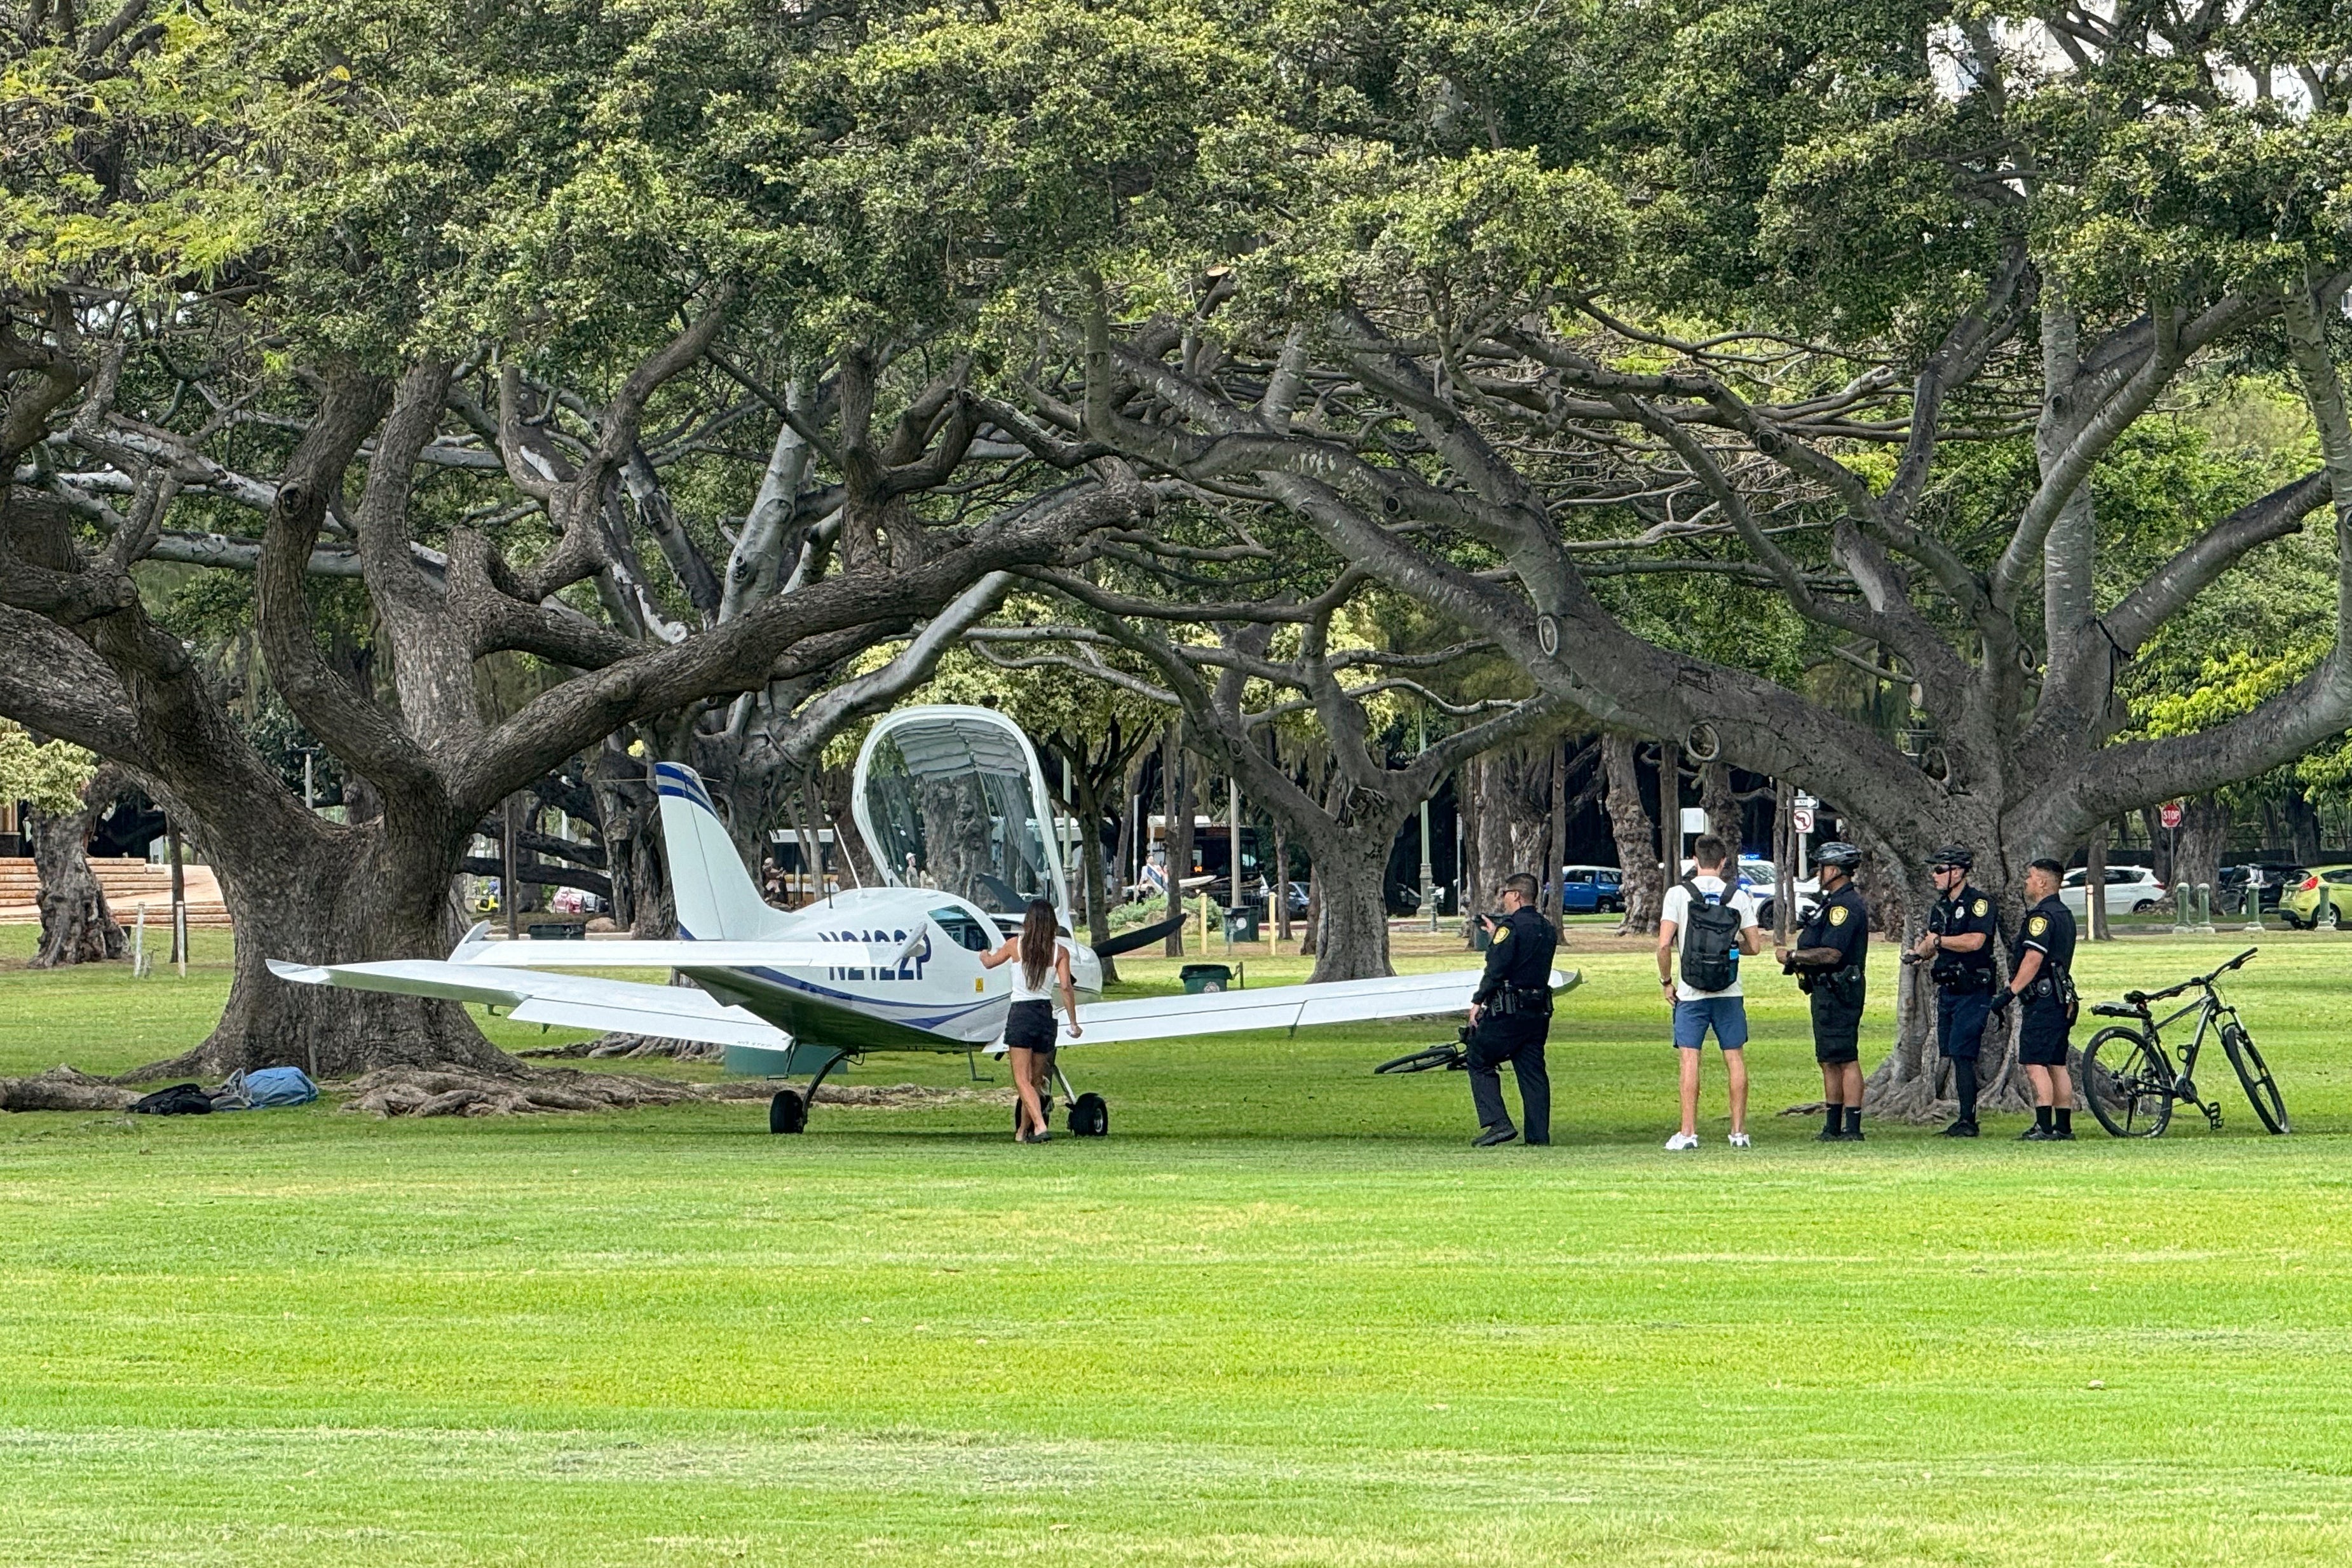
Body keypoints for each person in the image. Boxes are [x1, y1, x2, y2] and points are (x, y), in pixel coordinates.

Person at [1656, 834, 1764, 1150]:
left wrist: (1666, 981)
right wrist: (1730, 949)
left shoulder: (1678, 894)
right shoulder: (1738, 896)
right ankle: (1739, 1132)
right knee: (1735, 1058)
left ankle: (1688, 1133)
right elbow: (1755, 947)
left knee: (1690, 1059)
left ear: (1694, 860)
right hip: (1729, 989)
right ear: (1723, 862)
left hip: (1690, 991)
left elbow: (1664, 945)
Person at [1776, 841, 1870, 1141]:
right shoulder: (1831, 904)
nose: (1818, 873)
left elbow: (1832, 954)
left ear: (1833, 870)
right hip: (1825, 990)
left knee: (1845, 1057)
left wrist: (1793, 957)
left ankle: (1852, 1127)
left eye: (1821, 867)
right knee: (1828, 1057)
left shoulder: (1844, 907)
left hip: (1840, 988)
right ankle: (1832, 1125)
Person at [1909, 845, 1997, 1137]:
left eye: (1939, 870)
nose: (1933, 876)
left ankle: (1968, 1120)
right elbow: (1932, 941)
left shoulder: (1978, 903)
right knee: (1951, 1051)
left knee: (1963, 1053)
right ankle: (1962, 1116)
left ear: (1957, 873)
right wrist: (1918, 954)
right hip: (1948, 990)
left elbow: (1975, 941)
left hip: (1972, 989)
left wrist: (1938, 944)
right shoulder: (1941, 906)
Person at [1465, 871, 1559, 1147]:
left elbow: (1497, 968)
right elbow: (1525, 959)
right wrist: (1498, 936)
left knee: (1478, 1057)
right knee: (1532, 1071)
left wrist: (1478, 1001)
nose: (1503, 898)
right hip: (1538, 1011)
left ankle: (1498, 1123)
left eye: (1505, 893)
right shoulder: (1547, 928)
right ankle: (1538, 1135)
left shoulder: (1511, 928)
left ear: (1516, 895)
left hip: (1509, 1011)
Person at [980, 899, 1081, 1143]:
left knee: (1021, 1079)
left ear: (1029, 922)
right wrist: (1073, 1022)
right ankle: (1021, 1132)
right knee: (1035, 1081)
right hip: (1045, 1015)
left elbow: (990, 963)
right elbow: (1066, 987)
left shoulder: (1015, 945)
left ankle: (1039, 1126)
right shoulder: (1060, 952)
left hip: (1021, 1014)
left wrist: (983, 954)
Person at [1993, 857, 2078, 1141]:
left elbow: (2033, 959)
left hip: (2043, 999)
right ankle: (2063, 1127)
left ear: (2042, 882)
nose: (2027, 882)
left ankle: (2043, 1125)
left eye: (2030, 877)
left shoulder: (2041, 918)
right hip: (2061, 997)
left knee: (2034, 1062)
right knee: (2056, 1062)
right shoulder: (2064, 913)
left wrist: (2009, 992)